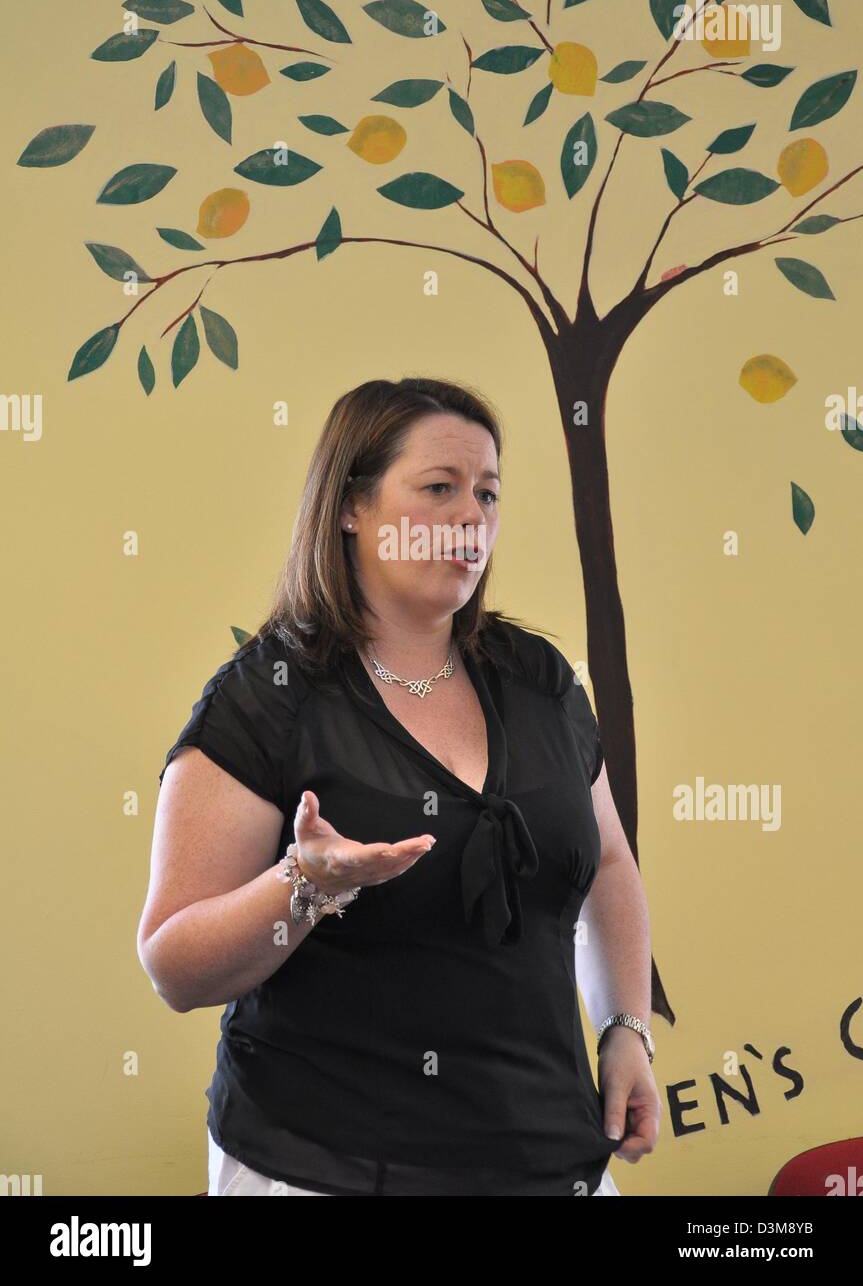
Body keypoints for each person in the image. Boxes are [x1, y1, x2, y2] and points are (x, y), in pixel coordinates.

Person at [138, 376, 661, 1196]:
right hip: (322, 1165)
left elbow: (606, 867)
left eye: (487, 493)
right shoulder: (267, 695)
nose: (472, 517)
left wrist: (625, 1028)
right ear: (351, 507)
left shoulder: (542, 681)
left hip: (546, 1159)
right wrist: (303, 885)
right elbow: (174, 966)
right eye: (439, 489)